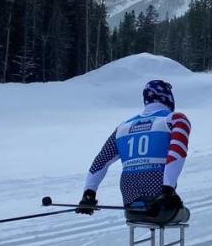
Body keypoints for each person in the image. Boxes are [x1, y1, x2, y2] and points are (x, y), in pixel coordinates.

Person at [77, 80, 190, 224]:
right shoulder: (175, 119)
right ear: (168, 97)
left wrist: (89, 193)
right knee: (186, 214)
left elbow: (100, 162)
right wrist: (167, 192)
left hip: (131, 210)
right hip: (161, 207)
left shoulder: (123, 127)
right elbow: (177, 153)